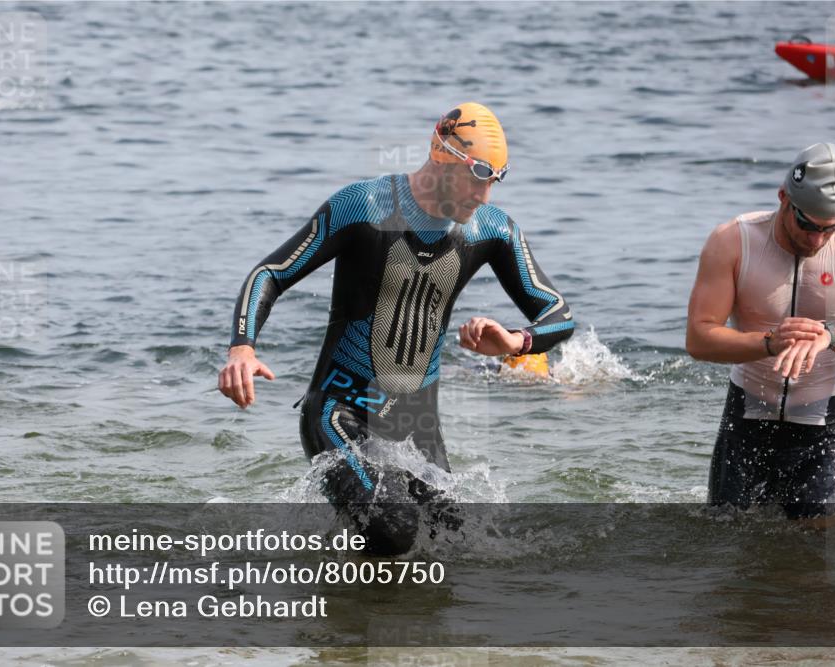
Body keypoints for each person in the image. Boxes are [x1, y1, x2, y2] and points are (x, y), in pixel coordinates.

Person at [220, 103, 575, 550]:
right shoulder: (363, 206)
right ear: (443, 157)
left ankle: (345, 580)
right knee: (395, 528)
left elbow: (559, 314)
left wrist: (515, 342)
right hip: (339, 412)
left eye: (494, 181)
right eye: (477, 177)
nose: (484, 196)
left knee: (456, 543)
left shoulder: (493, 231)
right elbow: (270, 274)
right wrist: (242, 348)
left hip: (418, 426)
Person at [686, 142, 835, 519]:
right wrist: (768, 343)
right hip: (746, 420)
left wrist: (832, 337)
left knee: (827, 542)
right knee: (726, 538)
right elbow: (699, 338)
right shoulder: (733, 241)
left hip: (826, 428)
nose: (817, 240)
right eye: (807, 225)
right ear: (784, 198)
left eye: (830, 228)